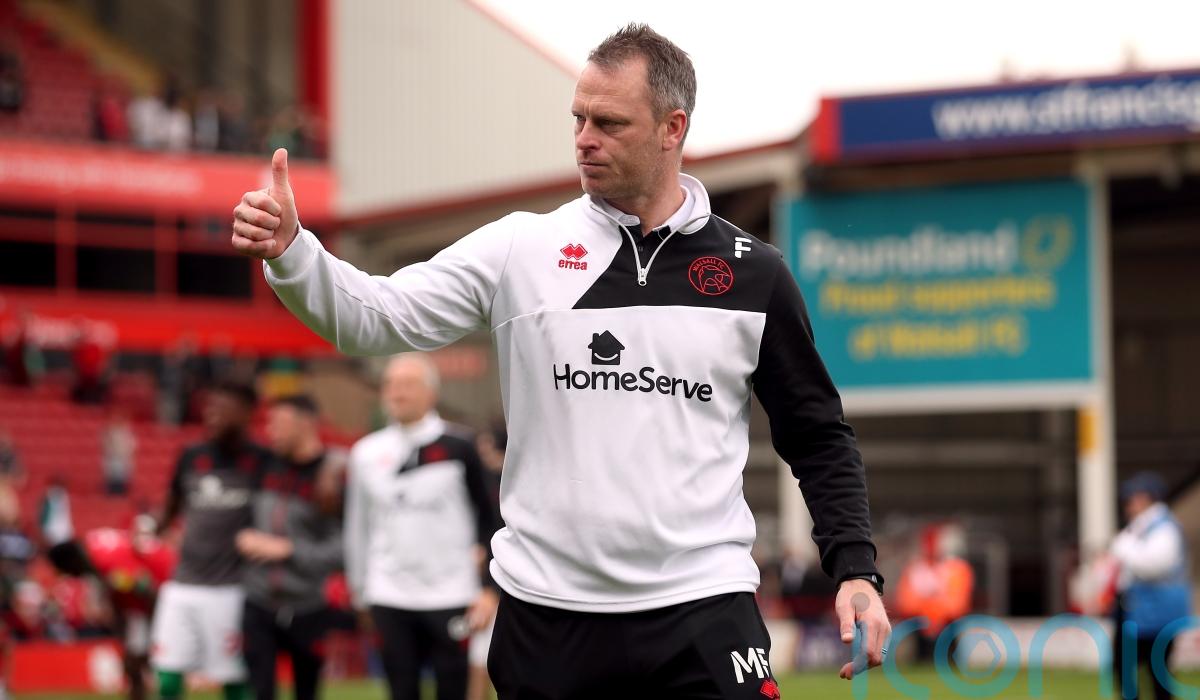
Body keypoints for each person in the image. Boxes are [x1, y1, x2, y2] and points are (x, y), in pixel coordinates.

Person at [233, 23, 888, 696]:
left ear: (672, 128)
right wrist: (295, 252)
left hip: (703, 606)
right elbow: (374, 316)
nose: (584, 139)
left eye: (609, 123)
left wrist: (856, 570)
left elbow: (817, 434)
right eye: (578, 118)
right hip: (548, 617)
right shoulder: (522, 249)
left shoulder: (755, 275)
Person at [343, 354, 498, 700]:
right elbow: (357, 526)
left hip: (451, 592)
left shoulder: (461, 446)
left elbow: (490, 518)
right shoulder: (366, 453)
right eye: (390, 385)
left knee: (453, 690)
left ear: (432, 393)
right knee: (401, 690)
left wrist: (490, 589)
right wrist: (359, 590)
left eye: (408, 384)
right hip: (388, 592)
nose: (397, 393)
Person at [150, 381, 272, 700]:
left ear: (246, 413)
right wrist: (153, 528)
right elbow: (172, 504)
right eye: (209, 408)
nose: (210, 415)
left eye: (221, 409)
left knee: (234, 679)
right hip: (183, 582)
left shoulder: (263, 461)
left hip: (231, 589)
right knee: (167, 679)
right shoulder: (191, 456)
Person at [238, 394, 345, 700]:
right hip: (258, 601)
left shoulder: (334, 476)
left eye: (279, 423)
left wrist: (289, 550)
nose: (271, 431)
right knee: (259, 692)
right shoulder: (264, 464)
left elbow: (343, 551)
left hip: (308, 605)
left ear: (307, 424)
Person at [45, 515, 176, 700]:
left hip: (167, 591)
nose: (74, 576)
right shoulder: (93, 542)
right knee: (133, 661)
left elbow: (146, 588)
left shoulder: (107, 563)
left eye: (70, 572)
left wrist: (155, 626)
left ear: (72, 562)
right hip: (146, 600)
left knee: (136, 661)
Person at [1111, 471, 1191, 700]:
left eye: (1133, 498)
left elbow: (1155, 565)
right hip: (1137, 610)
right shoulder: (1140, 527)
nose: (1128, 504)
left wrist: (1124, 548)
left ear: (1146, 498)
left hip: (1156, 612)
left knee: (1156, 670)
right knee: (1125, 666)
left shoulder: (1164, 528)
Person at [894, 523, 974, 662]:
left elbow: (958, 604)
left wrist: (937, 613)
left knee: (949, 660)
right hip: (920, 627)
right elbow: (905, 602)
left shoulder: (956, 568)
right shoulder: (915, 569)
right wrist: (929, 613)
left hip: (948, 626)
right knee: (922, 660)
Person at [466, 422, 505, 700]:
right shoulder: (483, 483)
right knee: (480, 658)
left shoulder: (505, 485)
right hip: (488, 583)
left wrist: (492, 590)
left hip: (505, 584)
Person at [102, 411, 138, 495]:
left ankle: (121, 491)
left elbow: (132, 446)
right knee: (113, 477)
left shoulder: (127, 433)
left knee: (122, 479)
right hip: (112, 458)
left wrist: (125, 452)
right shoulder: (109, 432)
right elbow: (105, 445)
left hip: (123, 458)